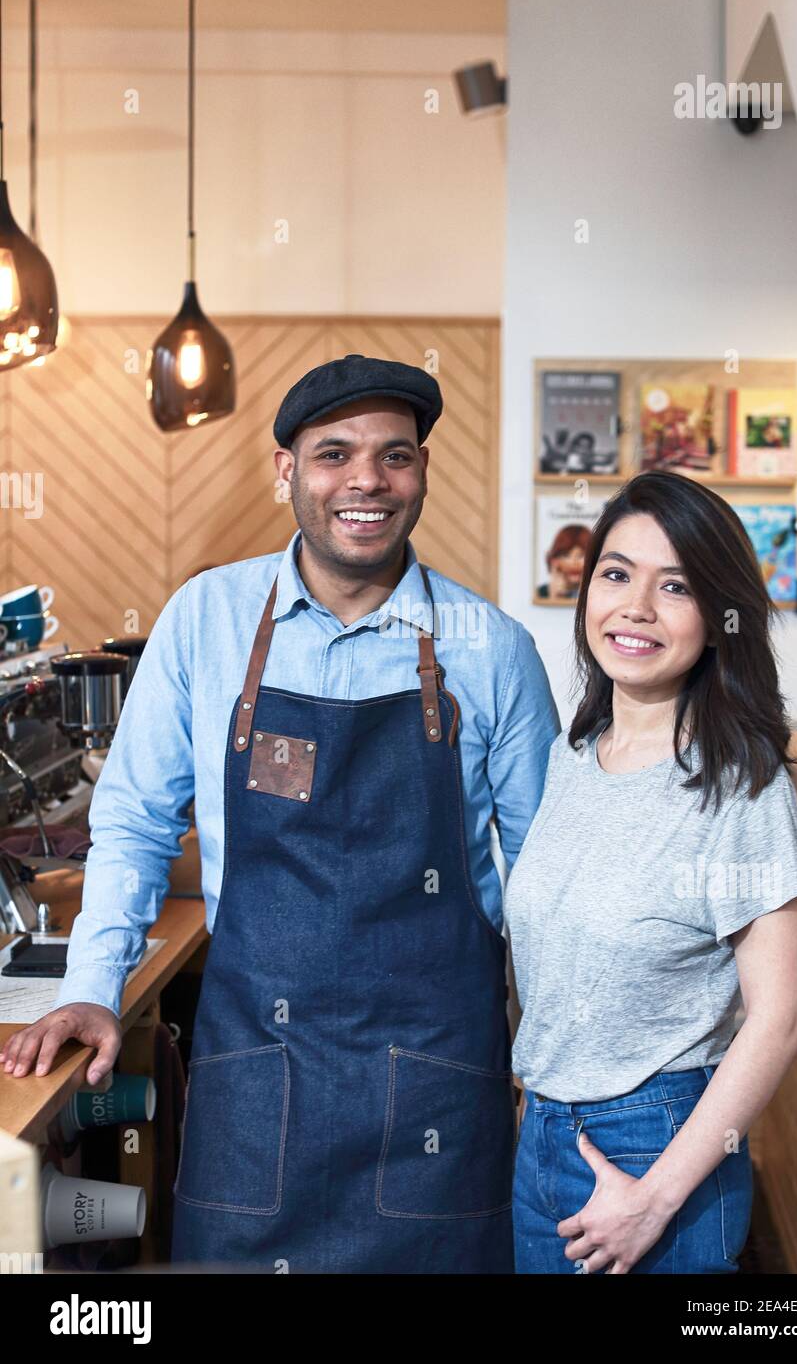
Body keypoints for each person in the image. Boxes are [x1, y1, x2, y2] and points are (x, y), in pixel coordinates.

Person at [2, 354, 560, 1274]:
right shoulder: (205, 620)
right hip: (259, 1083)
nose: (367, 481)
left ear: (421, 472)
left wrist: (557, 1071)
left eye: (396, 456)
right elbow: (137, 820)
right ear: (285, 471)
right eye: (333, 453)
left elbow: (545, 888)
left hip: (438, 1087)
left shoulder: (491, 650)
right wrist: (91, 989)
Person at [505, 470, 797, 1274]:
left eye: (674, 586)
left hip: (657, 1149)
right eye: (616, 574)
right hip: (543, 1136)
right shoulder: (571, 756)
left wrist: (656, 1196)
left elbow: (779, 1019)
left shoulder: (740, 785)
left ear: (718, 618)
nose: (635, 607)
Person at [536, 524, 591, 601]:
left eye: (581, 555)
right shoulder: (540, 593)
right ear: (554, 560)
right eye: (566, 555)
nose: (573, 562)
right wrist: (555, 597)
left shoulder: (601, 591)